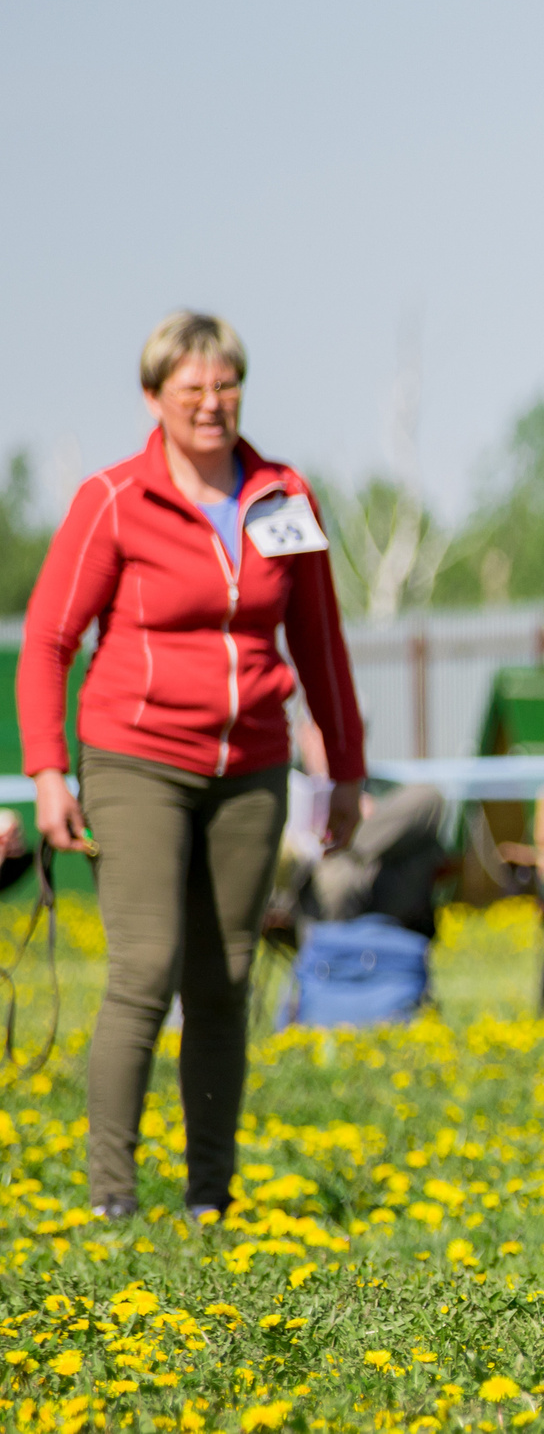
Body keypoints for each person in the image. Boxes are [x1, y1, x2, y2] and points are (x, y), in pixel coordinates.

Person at [14, 311, 366, 1222]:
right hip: (136, 756)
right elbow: (50, 640)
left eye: (226, 387)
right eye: (191, 391)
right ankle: (112, 1200)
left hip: (251, 762)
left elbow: (321, 641)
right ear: (155, 398)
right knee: (148, 966)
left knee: (227, 974)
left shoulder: (284, 497)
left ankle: (210, 1196)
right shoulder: (114, 499)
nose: (211, 405)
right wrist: (50, 771)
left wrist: (348, 770)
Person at [279, 703, 447, 938]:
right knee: (338, 881)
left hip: (374, 879)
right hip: (304, 882)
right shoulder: (284, 783)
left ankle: (345, 844)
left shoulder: (378, 787)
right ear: (302, 734)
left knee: (428, 798)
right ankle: (334, 968)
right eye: (324, 733)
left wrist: (368, 815)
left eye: (348, 735)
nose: (335, 745)